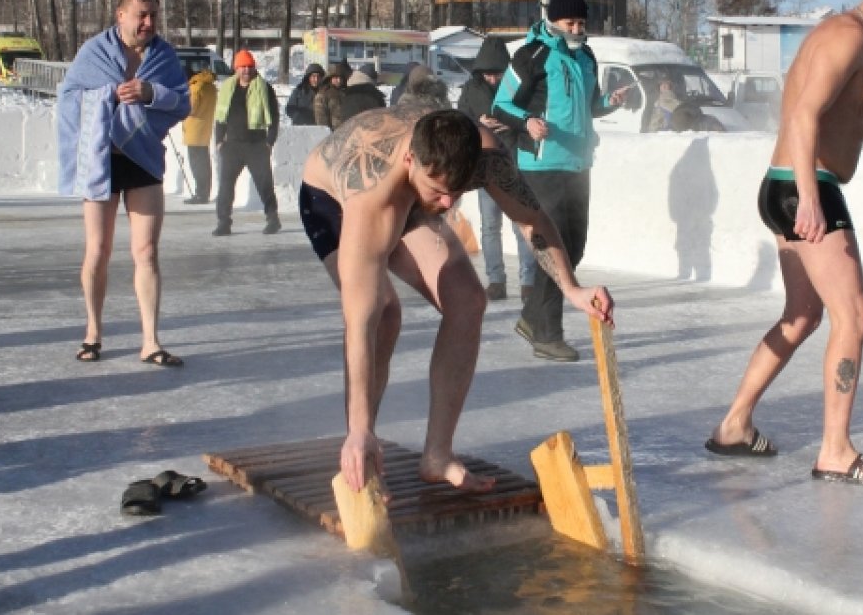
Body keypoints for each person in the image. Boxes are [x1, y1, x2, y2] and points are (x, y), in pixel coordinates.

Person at [298, 103, 615, 494]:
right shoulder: (371, 198)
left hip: (414, 189)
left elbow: (533, 219)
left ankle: (437, 455)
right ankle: (363, 445)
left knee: (467, 300)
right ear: (412, 161)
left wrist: (572, 288)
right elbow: (359, 322)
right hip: (330, 197)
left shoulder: (483, 157)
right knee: (383, 312)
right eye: (440, 192)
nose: (449, 205)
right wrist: (359, 430)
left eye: (457, 192)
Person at [705, 0, 863, 485]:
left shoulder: (846, 37)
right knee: (853, 318)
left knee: (803, 315)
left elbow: (833, 113)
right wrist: (810, 197)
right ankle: (835, 451)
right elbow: (804, 114)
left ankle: (734, 425)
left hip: (785, 185)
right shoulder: (848, 36)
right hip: (803, 188)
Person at [491, 0, 629, 361]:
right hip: (541, 165)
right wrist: (528, 122)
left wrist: (607, 103)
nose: (577, 28)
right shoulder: (531, 55)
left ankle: (531, 317)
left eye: (582, 22)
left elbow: (588, 107)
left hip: (578, 164)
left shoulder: (586, 56)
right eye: (570, 21)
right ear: (553, 21)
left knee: (575, 247)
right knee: (555, 249)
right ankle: (547, 332)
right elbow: (501, 105)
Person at [56, 0, 191, 366]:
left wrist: (151, 93)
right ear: (121, 15)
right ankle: (93, 332)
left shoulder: (164, 55)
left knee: (146, 251)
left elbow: (182, 103)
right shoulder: (93, 52)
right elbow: (68, 99)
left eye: (153, 15)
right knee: (97, 250)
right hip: (101, 159)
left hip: (143, 158)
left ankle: (150, 340)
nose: (148, 23)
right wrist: (107, 96)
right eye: (141, 15)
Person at [456, 35, 537, 302]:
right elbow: (459, 121)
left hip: (513, 164)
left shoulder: (518, 88)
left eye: (498, 74)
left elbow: (529, 119)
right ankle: (496, 280)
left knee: (521, 224)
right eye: (488, 74)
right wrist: (478, 124)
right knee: (490, 226)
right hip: (484, 166)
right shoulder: (470, 91)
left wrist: (511, 123)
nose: (493, 79)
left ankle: (528, 281)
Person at [212, 48, 281, 236]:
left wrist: (269, 141)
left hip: (256, 144)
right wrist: (219, 141)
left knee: (264, 183)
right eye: (242, 66)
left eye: (250, 66)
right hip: (232, 144)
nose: (246, 71)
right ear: (236, 68)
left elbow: (274, 116)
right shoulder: (227, 88)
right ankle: (223, 222)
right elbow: (220, 117)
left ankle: (273, 218)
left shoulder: (264, 87)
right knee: (226, 185)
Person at [182, 68, 217, 204]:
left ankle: (200, 194)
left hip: (193, 130)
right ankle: (204, 192)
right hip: (205, 128)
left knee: (196, 164)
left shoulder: (196, 87)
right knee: (204, 163)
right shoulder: (211, 87)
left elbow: (191, 109)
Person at [313, 60, 353, 130]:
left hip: (349, 132)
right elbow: (321, 120)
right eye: (336, 78)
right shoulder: (322, 95)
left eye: (341, 78)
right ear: (330, 78)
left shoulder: (348, 92)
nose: (339, 80)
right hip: (333, 134)